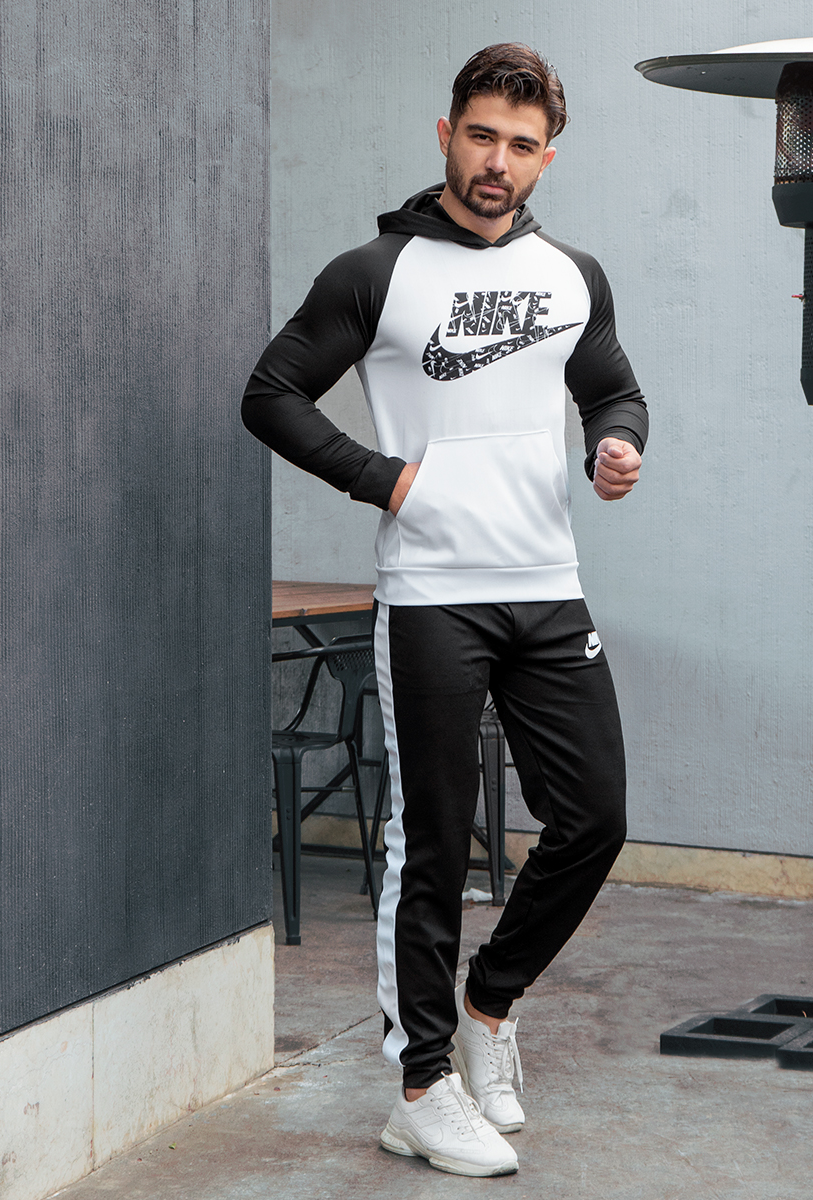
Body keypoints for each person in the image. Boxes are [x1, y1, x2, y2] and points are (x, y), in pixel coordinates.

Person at [242, 43, 648, 1177]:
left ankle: (488, 1009)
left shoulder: (572, 275)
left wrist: (618, 444)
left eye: (521, 145)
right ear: (445, 136)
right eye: (481, 137)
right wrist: (384, 480)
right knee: (431, 840)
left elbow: (610, 385)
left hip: (546, 585)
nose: (497, 162)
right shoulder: (377, 272)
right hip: (432, 596)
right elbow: (271, 393)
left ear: (546, 157)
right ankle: (420, 1088)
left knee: (594, 818)